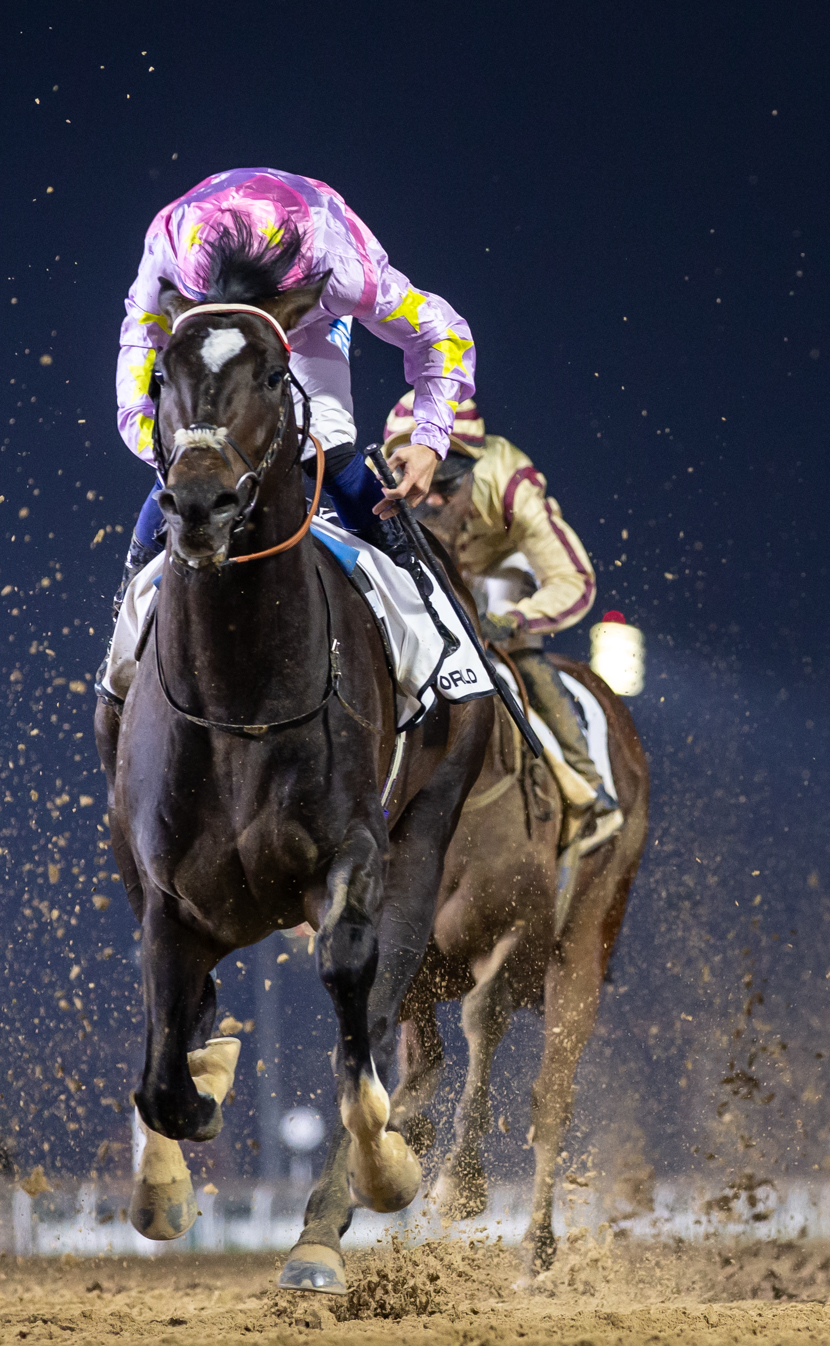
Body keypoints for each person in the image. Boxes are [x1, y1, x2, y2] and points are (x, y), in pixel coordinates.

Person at [114, 167, 473, 598]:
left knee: (324, 445)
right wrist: (169, 450)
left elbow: (441, 331)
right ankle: (127, 600)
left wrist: (430, 441)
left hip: (307, 310)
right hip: (207, 307)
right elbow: (138, 347)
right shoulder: (168, 256)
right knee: (184, 449)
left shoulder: (343, 273)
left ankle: (418, 593)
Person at [386, 393, 624, 856]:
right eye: (416, 476)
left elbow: (573, 579)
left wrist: (514, 620)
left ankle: (586, 788)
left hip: (495, 572)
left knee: (501, 606)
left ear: (476, 469)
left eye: (448, 483)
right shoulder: (386, 480)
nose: (431, 496)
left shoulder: (511, 485)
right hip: (434, 565)